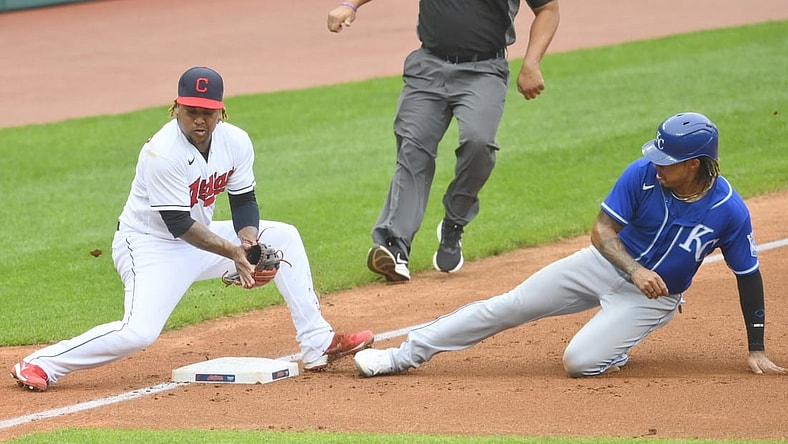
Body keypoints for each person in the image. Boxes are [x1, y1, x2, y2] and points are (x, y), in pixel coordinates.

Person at [10, 66, 374, 392]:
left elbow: (244, 199)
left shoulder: (236, 141)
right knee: (138, 333)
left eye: (207, 112)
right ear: (176, 108)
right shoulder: (161, 153)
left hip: (200, 239)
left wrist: (248, 243)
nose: (199, 120)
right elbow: (178, 224)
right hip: (150, 246)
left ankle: (317, 344)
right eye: (191, 111)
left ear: (221, 111)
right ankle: (42, 363)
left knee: (283, 236)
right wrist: (233, 253)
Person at [352, 112, 787, 378]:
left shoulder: (729, 211)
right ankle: (401, 356)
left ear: (693, 165)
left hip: (654, 299)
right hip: (604, 266)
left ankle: (623, 339)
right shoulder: (641, 174)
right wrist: (633, 269)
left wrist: (756, 346)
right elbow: (600, 232)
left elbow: (748, 275)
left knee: (580, 365)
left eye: (666, 162)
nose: (655, 166)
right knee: (509, 305)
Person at [327, 0, 560, 282]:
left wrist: (531, 63)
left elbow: (547, 9)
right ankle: (394, 247)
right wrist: (350, 5)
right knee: (414, 149)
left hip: (485, 69)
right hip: (428, 65)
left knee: (479, 144)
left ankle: (454, 222)